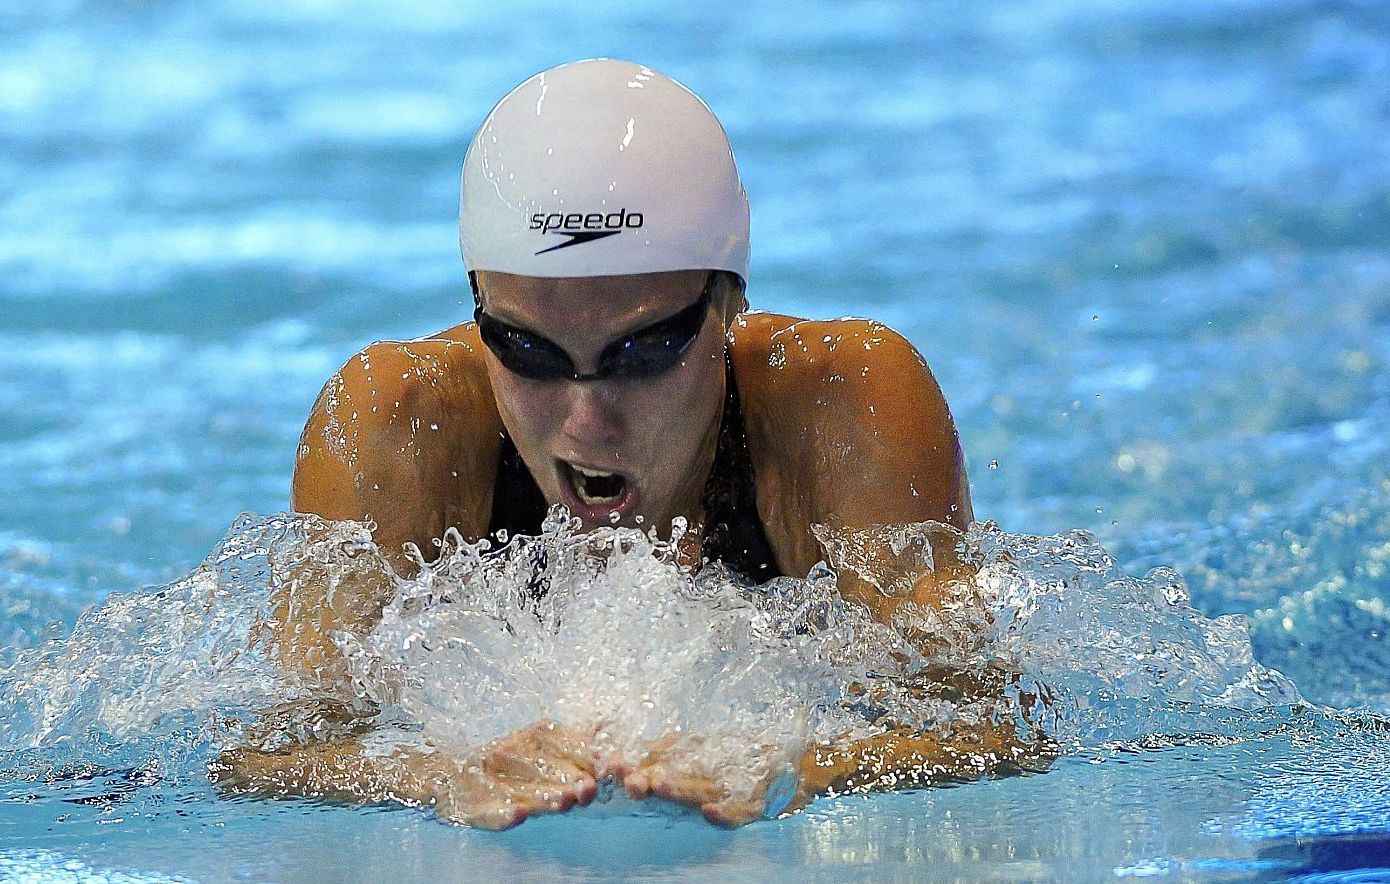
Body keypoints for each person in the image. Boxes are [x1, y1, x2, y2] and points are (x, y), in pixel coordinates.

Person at [214, 59, 1044, 828]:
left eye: (642, 351)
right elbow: (270, 755)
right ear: (478, 306)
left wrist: (796, 768)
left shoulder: (843, 403)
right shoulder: (399, 420)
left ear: (729, 304)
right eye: (529, 351)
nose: (586, 420)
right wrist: (441, 773)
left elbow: (993, 727)